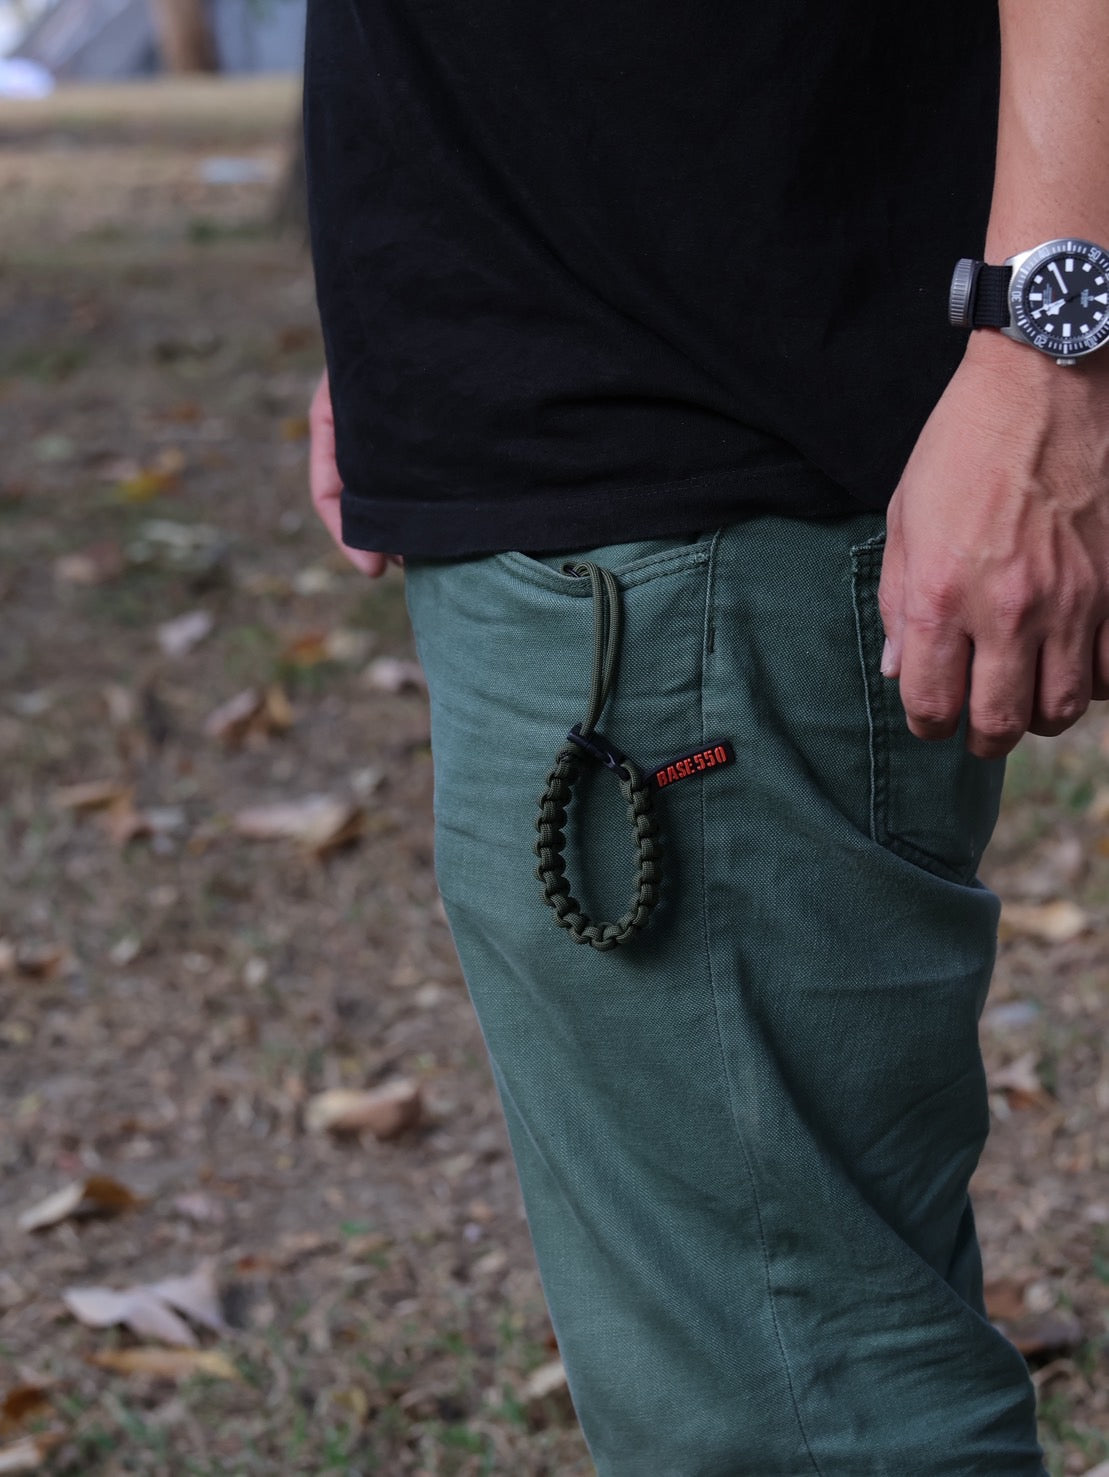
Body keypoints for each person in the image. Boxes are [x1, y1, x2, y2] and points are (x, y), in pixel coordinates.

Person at [303, 3, 1109, 1472]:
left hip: (698, 461)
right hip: (558, 379)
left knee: (799, 1407)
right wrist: (413, 277)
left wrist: (1044, 346)